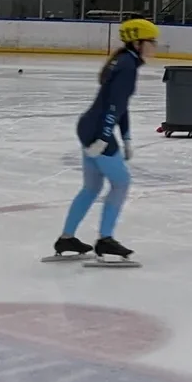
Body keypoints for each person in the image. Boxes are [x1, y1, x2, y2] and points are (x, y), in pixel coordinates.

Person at [51, 18, 157, 266]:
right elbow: (113, 107)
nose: (155, 46)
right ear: (138, 42)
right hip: (98, 130)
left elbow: (121, 105)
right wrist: (105, 137)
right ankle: (106, 239)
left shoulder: (123, 61)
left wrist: (127, 136)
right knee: (121, 183)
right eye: (151, 41)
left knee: (91, 188)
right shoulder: (128, 67)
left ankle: (67, 238)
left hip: (89, 127)